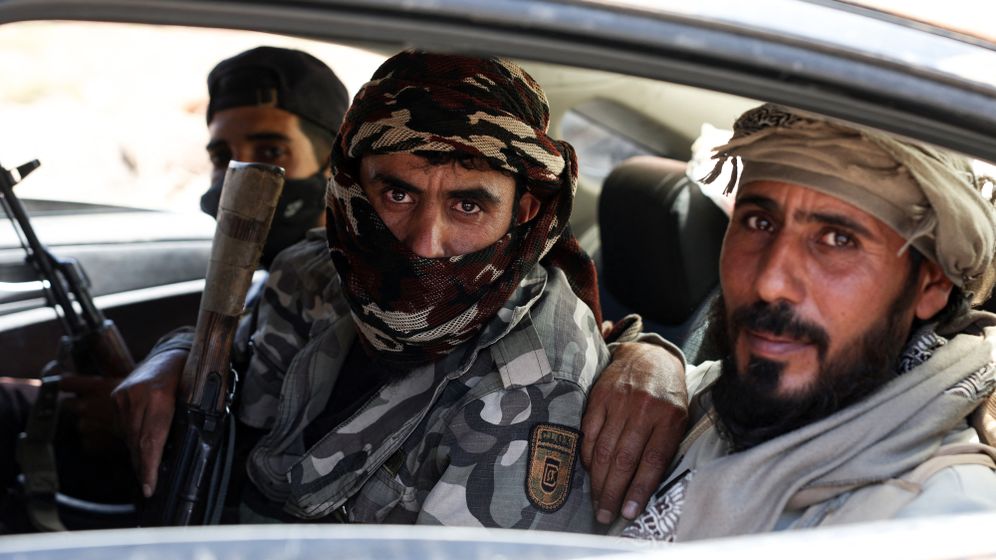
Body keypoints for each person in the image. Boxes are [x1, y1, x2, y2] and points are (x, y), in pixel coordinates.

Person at [118, 50, 625, 530]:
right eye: (398, 194)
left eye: (467, 205)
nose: (425, 243)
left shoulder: (532, 379)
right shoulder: (310, 273)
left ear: (524, 210)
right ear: (353, 187)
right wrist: (175, 356)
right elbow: (237, 378)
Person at [0, 45, 350, 533]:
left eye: (272, 152)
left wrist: (145, 431)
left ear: (337, 167)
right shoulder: (272, 280)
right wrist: (168, 359)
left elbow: (261, 474)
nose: (239, 178)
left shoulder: (344, 297)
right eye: (223, 157)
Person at [619, 103, 996, 542]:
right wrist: (643, 357)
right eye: (760, 222)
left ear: (931, 285)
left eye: (838, 240)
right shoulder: (714, 398)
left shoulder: (942, 524)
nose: (770, 282)